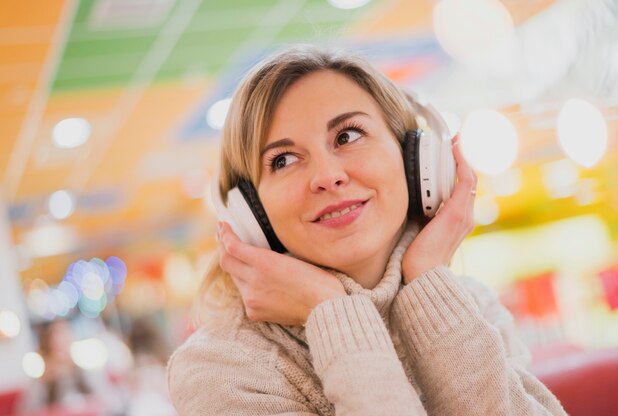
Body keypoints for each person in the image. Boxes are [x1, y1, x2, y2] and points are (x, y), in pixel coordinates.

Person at [167, 45, 566, 415]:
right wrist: (332, 310)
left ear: (415, 157)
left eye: (347, 135)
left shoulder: (471, 305)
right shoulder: (219, 367)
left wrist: (427, 278)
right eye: (284, 160)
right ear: (249, 214)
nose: (327, 176)